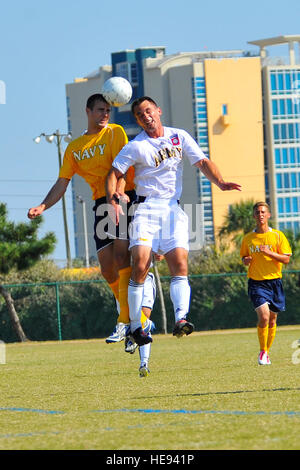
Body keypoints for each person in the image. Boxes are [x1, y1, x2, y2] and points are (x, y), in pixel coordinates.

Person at [106, 96, 241, 348]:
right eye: (139, 114)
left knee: (179, 263)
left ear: (158, 111)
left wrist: (220, 182)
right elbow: (114, 173)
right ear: (137, 120)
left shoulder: (179, 136)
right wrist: (113, 199)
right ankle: (136, 326)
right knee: (140, 266)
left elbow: (202, 161)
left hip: (172, 209)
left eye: (148, 111)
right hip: (146, 209)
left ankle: (181, 319)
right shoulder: (136, 146)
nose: (145, 116)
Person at [27, 93, 151, 346]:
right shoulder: (74, 148)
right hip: (100, 204)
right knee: (106, 268)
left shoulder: (115, 132)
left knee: (120, 257)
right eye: (100, 110)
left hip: (123, 197)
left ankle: (124, 321)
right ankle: (137, 317)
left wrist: (117, 197)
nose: (105, 114)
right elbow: (63, 182)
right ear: (88, 111)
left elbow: (120, 169)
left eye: (107, 110)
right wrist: (43, 205)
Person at [240, 202, 292, 365]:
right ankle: (263, 352)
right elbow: (244, 258)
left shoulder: (277, 236)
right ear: (254, 216)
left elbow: (286, 259)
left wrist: (269, 252)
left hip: (275, 283)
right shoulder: (248, 238)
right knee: (264, 316)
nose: (260, 214)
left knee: (272, 320)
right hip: (256, 284)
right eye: (257, 212)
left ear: (268, 215)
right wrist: (245, 260)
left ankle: (266, 352)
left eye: (263, 212)